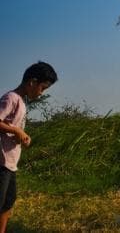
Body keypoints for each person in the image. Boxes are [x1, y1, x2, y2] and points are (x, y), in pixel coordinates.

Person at [0, 61, 58, 233]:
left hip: (10, 164)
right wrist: (16, 130)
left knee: (8, 202)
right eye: (43, 88)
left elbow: (14, 129)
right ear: (32, 82)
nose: (41, 93)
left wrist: (23, 137)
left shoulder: (22, 103)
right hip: (1, 163)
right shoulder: (11, 98)